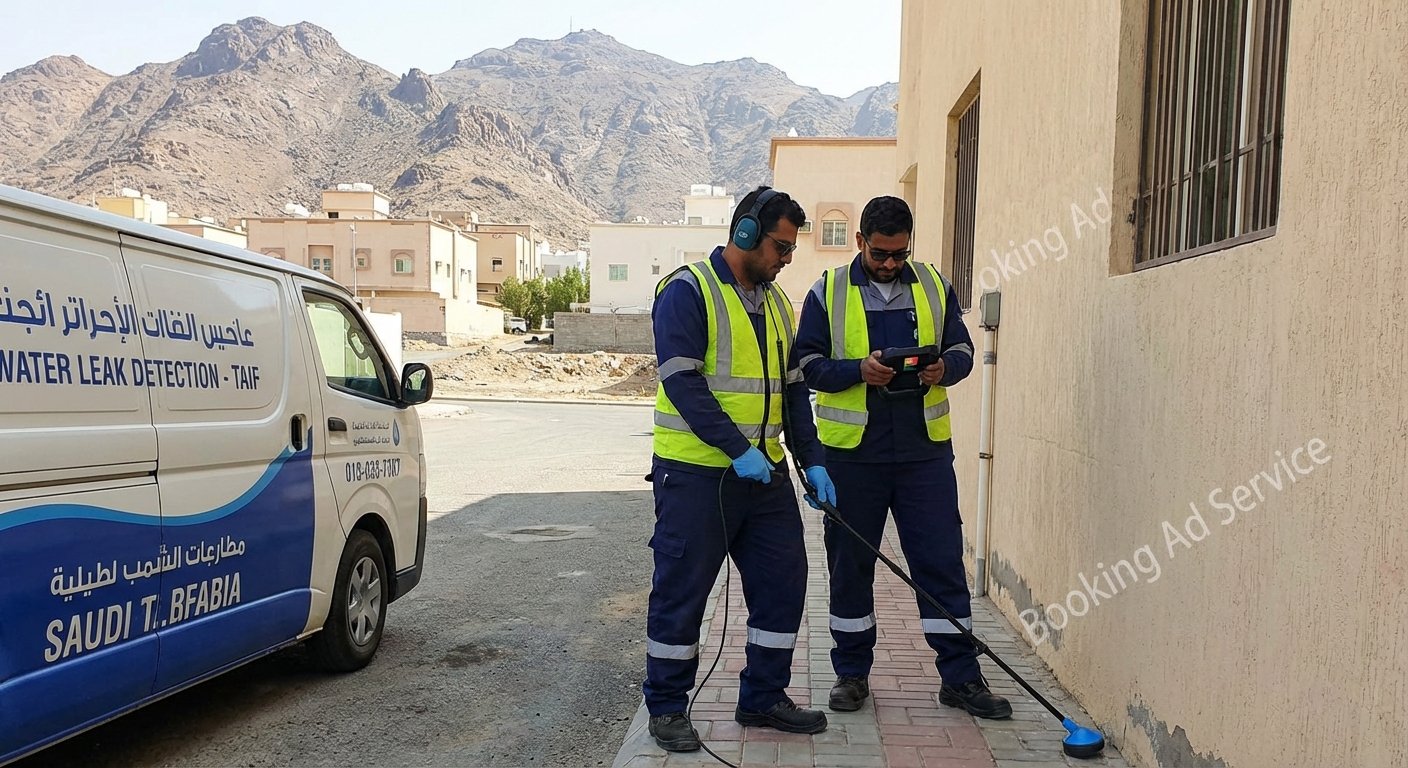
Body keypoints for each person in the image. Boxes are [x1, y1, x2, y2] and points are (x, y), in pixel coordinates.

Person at [794, 196, 1012, 719]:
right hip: (853, 458)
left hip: (923, 456)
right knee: (850, 566)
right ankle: (851, 674)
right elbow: (806, 365)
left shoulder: (934, 285)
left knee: (941, 564)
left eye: (900, 253)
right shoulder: (828, 291)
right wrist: (857, 370)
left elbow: (962, 349)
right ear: (860, 241)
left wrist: (945, 370)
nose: (891, 263)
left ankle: (960, 678)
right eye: (881, 253)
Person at [642, 186, 838, 753]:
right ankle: (667, 707)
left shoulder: (776, 305)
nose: (787, 258)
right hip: (696, 477)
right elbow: (683, 384)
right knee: (682, 592)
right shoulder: (688, 291)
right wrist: (737, 449)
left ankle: (762, 697)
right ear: (746, 233)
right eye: (781, 246)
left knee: (784, 583)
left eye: (792, 249)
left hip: (766, 479)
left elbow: (793, 392)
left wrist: (814, 462)